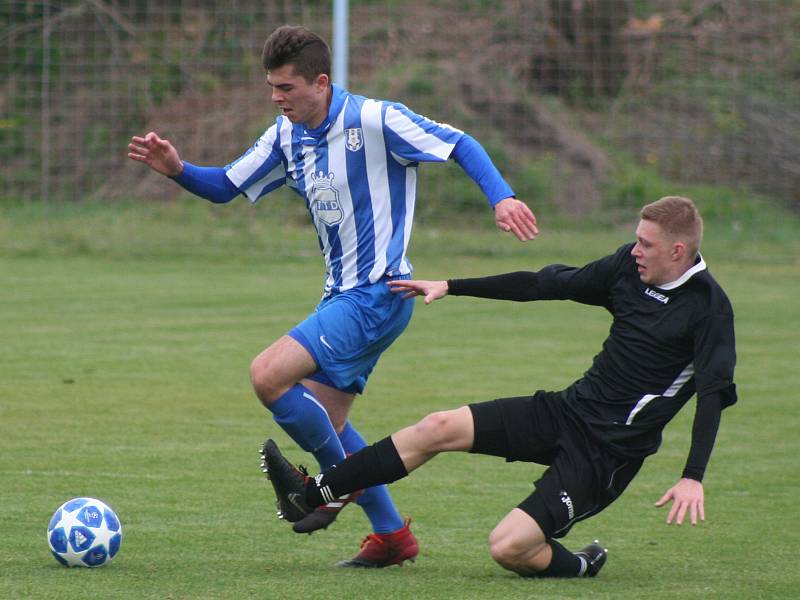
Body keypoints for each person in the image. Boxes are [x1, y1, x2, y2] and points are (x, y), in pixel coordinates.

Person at [128, 25, 538, 567]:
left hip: (377, 293)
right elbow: (227, 185)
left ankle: (330, 488)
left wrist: (501, 197)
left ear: (321, 82)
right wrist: (178, 170)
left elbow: (460, 143)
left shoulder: (376, 119)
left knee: (268, 375)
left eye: (287, 88)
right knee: (332, 421)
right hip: (341, 298)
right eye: (272, 87)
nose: (277, 98)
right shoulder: (285, 135)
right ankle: (392, 535)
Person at [262, 196, 737, 576]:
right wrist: (452, 285)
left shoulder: (708, 309)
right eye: (635, 241)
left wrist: (693, 475)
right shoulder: (626, 270)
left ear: (678, 251)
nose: (635, 251)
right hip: (565, 411)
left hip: (606, 454)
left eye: (646, 245)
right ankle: (313, 494)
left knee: (508, 547)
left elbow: (712, 398)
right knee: (437, 426)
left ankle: (580, 564)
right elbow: (541, 284)